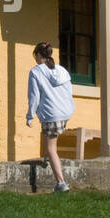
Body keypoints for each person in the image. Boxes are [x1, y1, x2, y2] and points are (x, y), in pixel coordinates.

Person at [26, 41, 75, 194]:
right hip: (65, 112)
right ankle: (47, 160)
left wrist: (30, 116)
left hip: (51, 113)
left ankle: (61, 183)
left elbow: (34, 97)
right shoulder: (62, 70)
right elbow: (69, 91)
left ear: (39, 55)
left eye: (36, 56)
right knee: (49, 139)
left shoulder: (36, 72)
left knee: (51, 147)